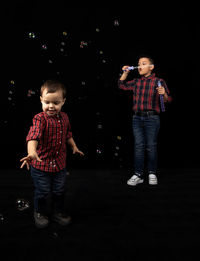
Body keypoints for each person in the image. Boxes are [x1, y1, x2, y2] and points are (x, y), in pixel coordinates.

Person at [20, 80, 84, 228]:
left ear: (63, 102)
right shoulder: (39, 119)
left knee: (59, 191)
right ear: (41, 100)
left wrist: (73, 146)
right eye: (47, 102)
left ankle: (58, 212)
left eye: (56, 102)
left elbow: (68, 134)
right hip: (41, 165)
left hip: (59, 165)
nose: (51, 106)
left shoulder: (65, 117)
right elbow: (33, 136)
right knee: (42, 191)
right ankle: (39, 212)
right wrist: (31, 152)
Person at [118, 55, 172, 186]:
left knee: (151, 147)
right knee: (138, 147)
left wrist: (163, 93)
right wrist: (125, 73)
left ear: (151, 67)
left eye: (143, 63)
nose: (140, 66)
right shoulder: (137, 82)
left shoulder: (158, 81)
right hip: (137, 118)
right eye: (138, 63)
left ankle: (152, 173)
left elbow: (168, 100)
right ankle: (138, 174)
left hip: (152, 118)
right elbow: (121, 85)